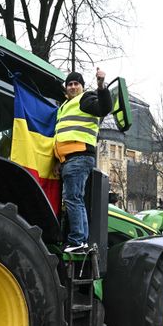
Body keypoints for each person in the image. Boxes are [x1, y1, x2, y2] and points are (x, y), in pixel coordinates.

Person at [54, 68, 112, 253]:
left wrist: (101, 85)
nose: (72, 86)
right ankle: (81, 241)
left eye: (76, 83)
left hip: (79, 156)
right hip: (69, 159)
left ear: (82, 86)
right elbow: (62, 135)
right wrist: (59, 160)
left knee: (73, 198)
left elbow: (104, 108)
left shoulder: (85, 99)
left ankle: (78, 240)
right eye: (69, 84)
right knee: (74, 199)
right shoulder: (64, 107)